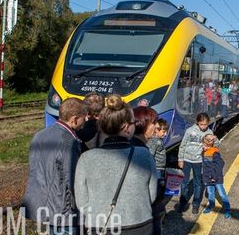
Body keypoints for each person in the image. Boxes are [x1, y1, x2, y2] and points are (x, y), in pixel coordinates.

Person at [75, 94, 157, 235]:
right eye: (133, 123)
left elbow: (82, 203)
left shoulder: (86, 158)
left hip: (101, 226)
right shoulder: (144, 155)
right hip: (139, 225)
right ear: (126, 127)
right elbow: (152, 195)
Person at [22, 98, 88, 235]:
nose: (86, 120)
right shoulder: (69, 142)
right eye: (84, 117)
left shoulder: (40, 134)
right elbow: (71, 179)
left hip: (43, 202)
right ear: (74, 119)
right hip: (62, 209)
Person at [178, 113, 214, 214]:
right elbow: (183, 145)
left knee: (198, 183)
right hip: (187, 160)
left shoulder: (209, 132)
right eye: (201, 124)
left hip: (199, 161)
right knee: (184, 183)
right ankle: (182, 203)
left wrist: (211, 145)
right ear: (197, 122)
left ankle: (196, 204)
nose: (203, 127)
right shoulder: (190, 131)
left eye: (205, 124)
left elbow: (214, 146)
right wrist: (180, 159)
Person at [201, 133, 231, 219]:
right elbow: (206, 166)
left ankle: (227, 209)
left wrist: (215, 177)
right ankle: (211, 206)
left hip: (216, 178)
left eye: (203, 145)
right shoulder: (205, 152)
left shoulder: (214, 152)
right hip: (208, 177)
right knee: (210, 193)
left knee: (222, 194)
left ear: (208, 144)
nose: (201, 146)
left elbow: (221, 164)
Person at [147, 118, 168, 235]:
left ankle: (160, 211)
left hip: (159, 168)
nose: (165, 134)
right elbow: (150, 155)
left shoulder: (157, 140)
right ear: (156, 130)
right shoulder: (155, 141)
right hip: (157, 169)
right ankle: (158, 213)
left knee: (159, 191)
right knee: (158, 191)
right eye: (163, 132)